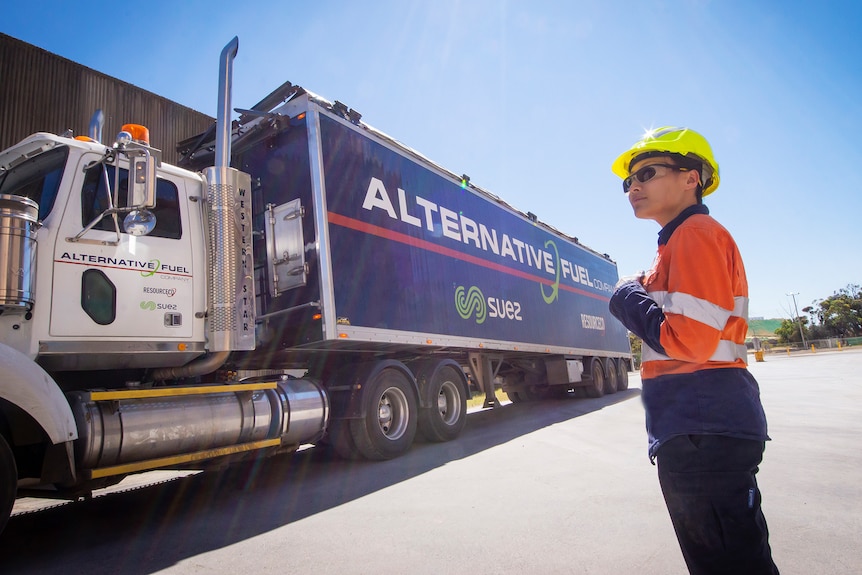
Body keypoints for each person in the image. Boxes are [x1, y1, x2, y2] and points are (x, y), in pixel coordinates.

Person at [608, 127, 779, 574]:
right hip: (703, 427)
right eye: (628, 181)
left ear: (692, 177)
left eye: (646, 172)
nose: (634, 187)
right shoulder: (676, 243)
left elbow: (693, 340)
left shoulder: (695, 233)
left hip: (704, 427)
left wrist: (627, 297)